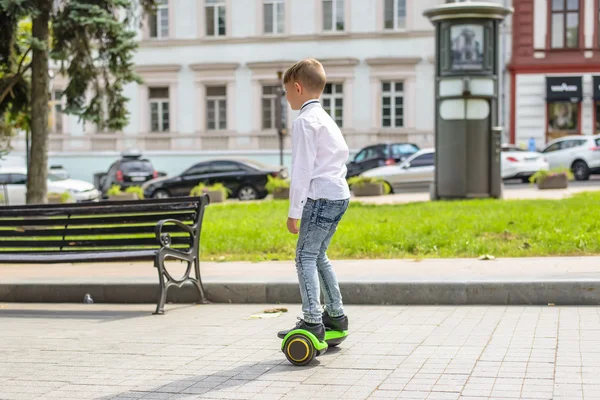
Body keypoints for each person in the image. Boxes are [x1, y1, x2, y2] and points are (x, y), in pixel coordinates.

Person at [276, 59, 350, 342]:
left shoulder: (305, 122)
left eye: (286, 92)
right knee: (319, 255)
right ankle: (336, 315)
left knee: (304, 256)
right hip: (338, 195)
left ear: (297, 88)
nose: (286, 97)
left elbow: (302, 170)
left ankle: (312, 321)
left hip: (319, 198)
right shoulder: (326, 119)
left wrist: (294, 211)